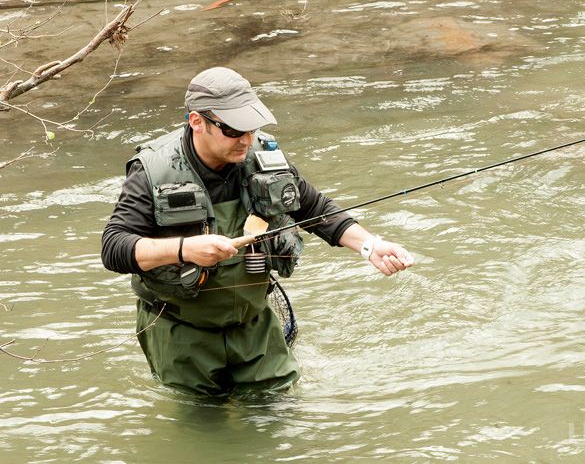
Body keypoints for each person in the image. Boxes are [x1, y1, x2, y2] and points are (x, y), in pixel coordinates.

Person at [101, 67, 414, 396]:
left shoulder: (263, 156)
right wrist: (184, 249)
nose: (247, 141)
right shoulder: (152, 170)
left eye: (251, 128)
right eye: (234, 130)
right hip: (181, 331)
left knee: (278, 417)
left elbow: (313, 208)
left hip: (254, 324)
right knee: (205, 427)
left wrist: (370, 246)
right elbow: (114, 248)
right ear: (197, 122)